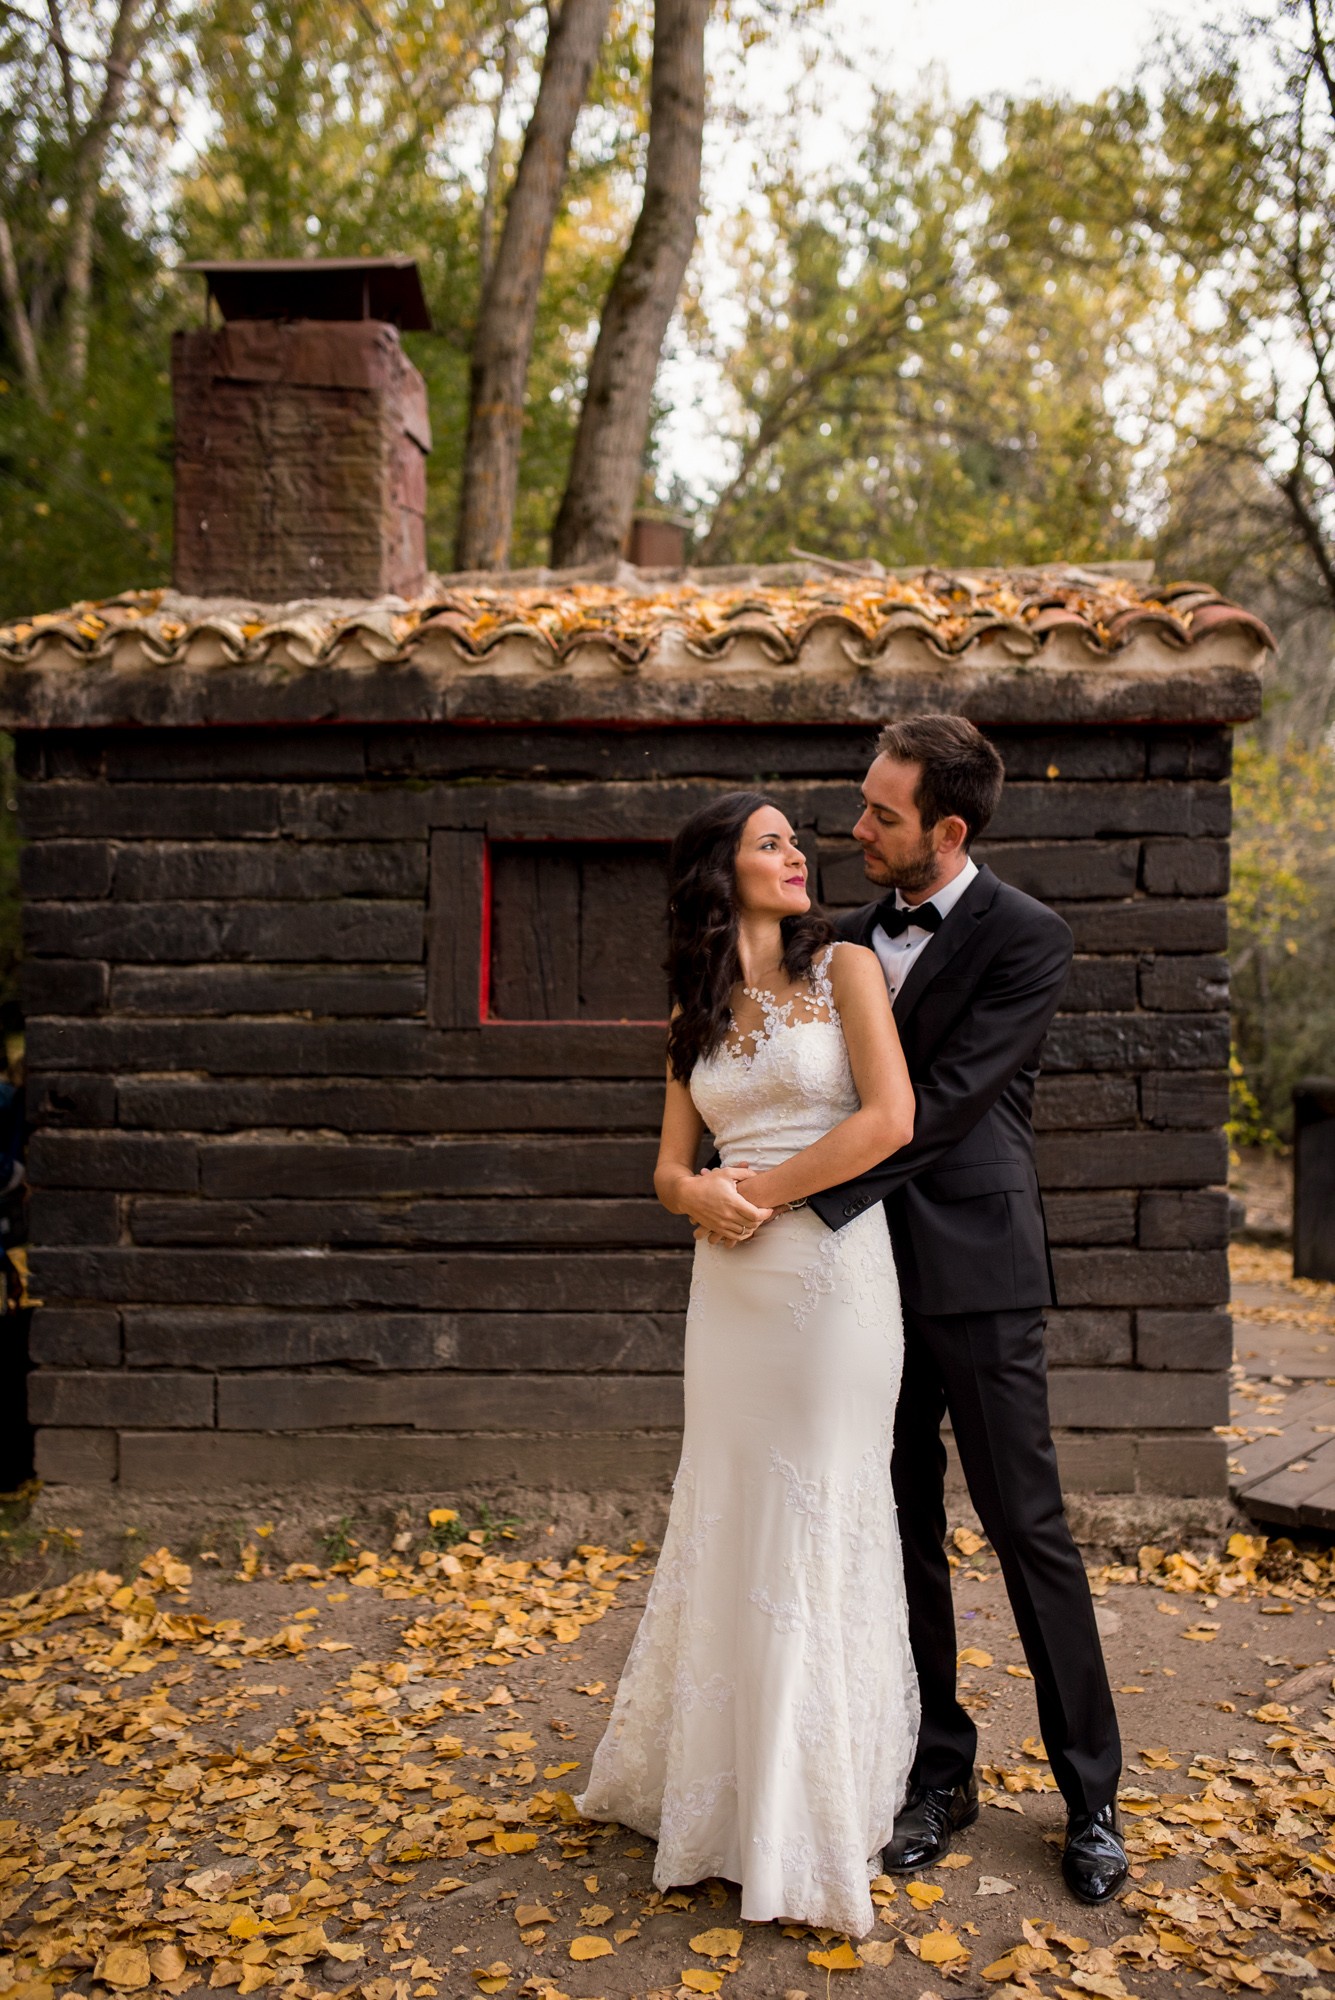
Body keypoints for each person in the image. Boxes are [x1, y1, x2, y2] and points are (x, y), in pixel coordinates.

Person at [777, 713, 1125, 1907]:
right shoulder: (844, 936)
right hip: (867, 1281)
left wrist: (791, 1201)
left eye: (881, 813)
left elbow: (947, 1101)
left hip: (979, 1270)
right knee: (903, 1526)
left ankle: (1093, 1795)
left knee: (1028, 1527)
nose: (856, 826)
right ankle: (939, 1773)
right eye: (862, 804)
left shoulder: (1032, 936)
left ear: (948, 828)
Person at [575, 791, 919, 1938]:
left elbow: (891, 1120)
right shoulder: (697, 1003)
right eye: (770, 841)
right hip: (725, 1294)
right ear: (721, 874)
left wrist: (755, 1193)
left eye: (795, 840)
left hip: (829, 1276)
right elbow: (669, 1167)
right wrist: (700, 1192)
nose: (797, 854)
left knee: (816, 1511)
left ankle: (811, 1806)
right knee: (728, 1512)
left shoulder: (851, 971)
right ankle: (721, 1798)